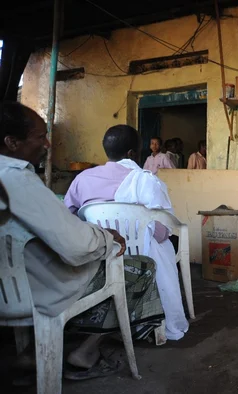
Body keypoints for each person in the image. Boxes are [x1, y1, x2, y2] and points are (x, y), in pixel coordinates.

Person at [0, 102, 163, 380]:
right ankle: (86, 351)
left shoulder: (83, 178)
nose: (48, 144)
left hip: (8, 286)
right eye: (41, 137)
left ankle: (35, 350)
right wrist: (106, 238)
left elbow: (67, 214)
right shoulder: (18, 180)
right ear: (12, 142)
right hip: (34, 292)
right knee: (138, 268)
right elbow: (77, 246)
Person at [64, 125, 189, 341]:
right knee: (164, 243)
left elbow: (68, 217)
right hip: (140, 260)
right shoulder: (146, 180)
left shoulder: (82, 179)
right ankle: (150, 320)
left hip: (98, 255)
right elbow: (161, 233)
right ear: (132, 153)